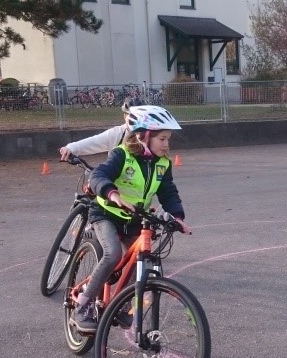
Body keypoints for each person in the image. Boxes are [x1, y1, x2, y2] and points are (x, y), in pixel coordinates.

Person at [70, 105, 191, 333]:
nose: (167, 144)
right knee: (113, 253)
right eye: (162, 138)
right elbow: (99, 175)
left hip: (135, 219)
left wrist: (177, 216)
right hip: (107, 214)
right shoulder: (122, 154)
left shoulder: (163, 163)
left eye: (168, 139)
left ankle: (120, 305)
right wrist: (112, 194)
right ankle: (83, 307)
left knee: (140, 262)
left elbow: (168, 192)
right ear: (145, 136)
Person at [58, 96, 145, 160]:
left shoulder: (151, 135)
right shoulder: (116, 134)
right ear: (124, 116)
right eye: (131, 116)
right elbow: (94, 142)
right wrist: (70, 148)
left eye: (138, 116)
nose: (134, 120)